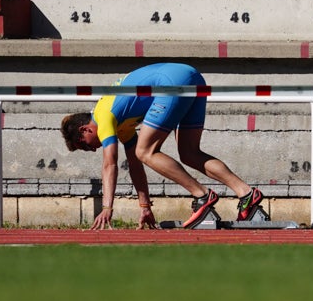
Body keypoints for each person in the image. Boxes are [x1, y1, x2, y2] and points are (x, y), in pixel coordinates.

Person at [61, 62, 263, 229]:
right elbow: (135, 165)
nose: (92, 150)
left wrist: (107, 208)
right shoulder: (121, 125)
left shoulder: (102, 117)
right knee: (189, 153)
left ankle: (202, 196)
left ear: (84, 130)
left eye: (85, 146)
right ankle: (247, 194)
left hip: (171, 82)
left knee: (145, 150)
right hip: (191, 76)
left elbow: (109, 164)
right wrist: (144, 206)